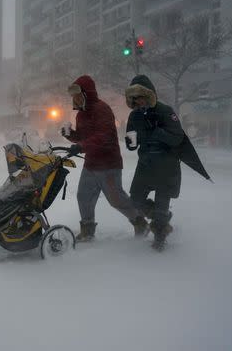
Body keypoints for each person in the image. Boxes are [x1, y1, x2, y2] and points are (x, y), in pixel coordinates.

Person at [62, 75, 147, 242]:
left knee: (116, 200)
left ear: (88, 93)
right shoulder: (81, 115)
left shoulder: (102, 109)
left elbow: (104, 136)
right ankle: (87, 229)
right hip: (91, 164)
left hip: (109, 164)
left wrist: (81, 146)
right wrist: (71, 135)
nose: (75, 99)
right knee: (83, 196)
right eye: (73, 96)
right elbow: (83, 137)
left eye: (78, 95)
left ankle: (139, 221)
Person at [124, 75, 185, 251]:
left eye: (141, 97)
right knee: (135, 199)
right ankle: (161, 218)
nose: (138, 102)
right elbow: (130, 142)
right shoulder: (134, 116)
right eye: (134, 99)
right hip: (145, 164)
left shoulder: (165, 111)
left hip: (167, 165)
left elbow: (178, 138)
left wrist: (158, 133)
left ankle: (159, 239)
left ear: (150, 95)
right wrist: (130, 142)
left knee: (161, 203)